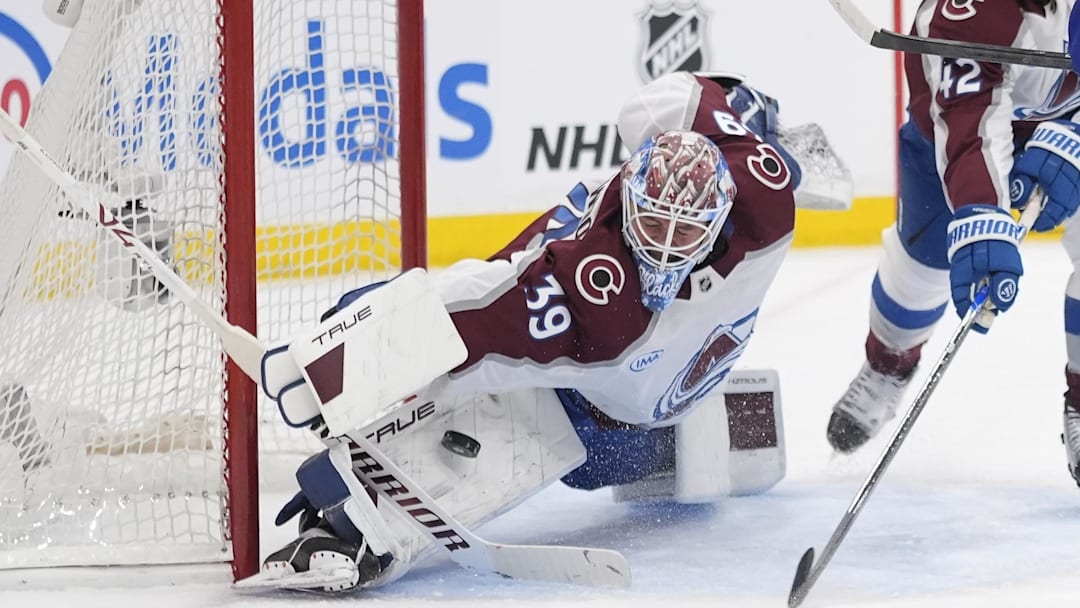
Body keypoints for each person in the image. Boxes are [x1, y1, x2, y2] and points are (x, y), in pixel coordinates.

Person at [246, 71, 824, 592]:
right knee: (499, 393)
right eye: (650, 222)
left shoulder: (763, 191)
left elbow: (692, 96)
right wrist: (339, 358)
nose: (665, 248)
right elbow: (464, 315)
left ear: (721, 217)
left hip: (643, 419)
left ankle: (360, 513)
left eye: (684, 232)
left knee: (613, 436)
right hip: (597, 416)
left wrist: (756, 111)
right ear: (629, 200)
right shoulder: (592, 294)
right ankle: (357, 526)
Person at [826, 0, 1080, 488]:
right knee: (919, 276)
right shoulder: (968, 12)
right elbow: (967, 123)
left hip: (1070, 129)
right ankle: (889, 363)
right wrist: (982, 212)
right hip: (952, 142)